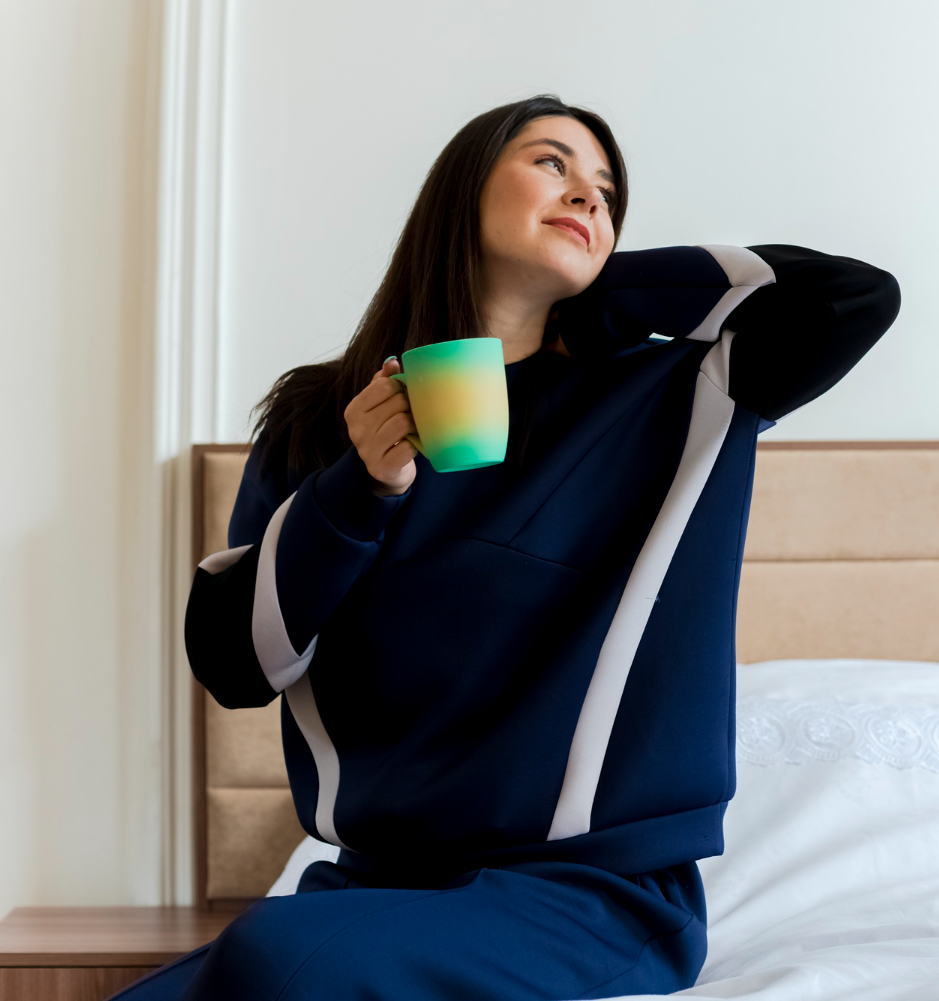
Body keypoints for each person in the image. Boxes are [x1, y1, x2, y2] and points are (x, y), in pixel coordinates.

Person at [114, 94, 899, 1000]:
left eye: (607, 191)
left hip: (591, 896)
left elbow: (854, 298)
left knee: (277, 959)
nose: (589, 197)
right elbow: (237, 662)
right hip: (376, 884)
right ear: (463, 193)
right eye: (554, 164)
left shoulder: (683, 393)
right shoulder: (322, 417)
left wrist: (605, 298)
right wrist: (356, 488)